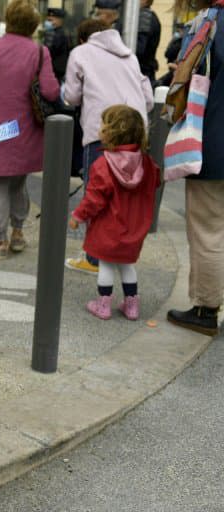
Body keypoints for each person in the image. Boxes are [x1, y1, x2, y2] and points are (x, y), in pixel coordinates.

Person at [0, 0, 59, 259]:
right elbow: (51, 91)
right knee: (18, 183)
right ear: (33, 25)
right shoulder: (40, 52)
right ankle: (18, 233)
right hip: (25, 128)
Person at [62, 19, 153, 273]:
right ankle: (117, 255)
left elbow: (71, 96)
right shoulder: (130, 55)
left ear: (82, 38)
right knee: (124, 198)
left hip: (102, 129)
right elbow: (147, 99)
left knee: (98, 191)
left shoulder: (80, 53)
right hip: (136, 129)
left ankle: (93, 259)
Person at [69, 105, 160, 320]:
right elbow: (155, 181)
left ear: (111, 132)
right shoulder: (146, 163)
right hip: (135, 225)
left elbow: (94, 199)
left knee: (106, 265)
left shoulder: (103, 165)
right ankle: (132, 307)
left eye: (102, 124)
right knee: (127, 265)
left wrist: (78, 216)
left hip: (108, 227)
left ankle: (103, 305)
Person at [167, 0, 224, 337]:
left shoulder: (210, 22)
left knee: (208, 230)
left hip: (213, 143)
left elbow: (184, 76)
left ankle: (205, 308)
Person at [137, 0, 161, 82]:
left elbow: (139, 49)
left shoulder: (144, 17)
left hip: (141, 73)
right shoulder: (146, 16)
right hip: (145, 73)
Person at [43, 7, 70, 82]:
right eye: (47, 20)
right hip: (55, 69)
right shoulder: (53, 32)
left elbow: (49, 51)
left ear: (60, 21)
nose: (48, 23)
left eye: (50, 20)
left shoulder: (58, 34)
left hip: (56, 70)